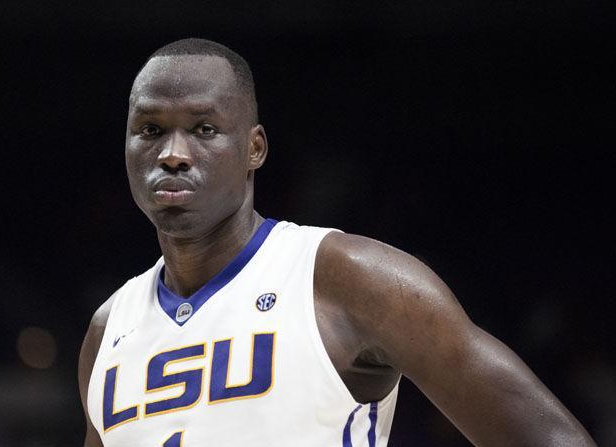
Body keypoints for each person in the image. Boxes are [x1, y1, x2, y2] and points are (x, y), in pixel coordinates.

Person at [78, 38, 595, 447]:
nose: (172, 153)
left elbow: (548, 436)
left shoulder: (346, 277)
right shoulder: (108, 330)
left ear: (254, 148)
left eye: (204, 128)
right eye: (149, 129)